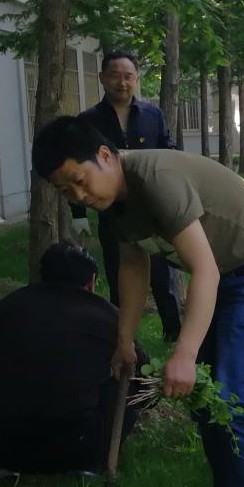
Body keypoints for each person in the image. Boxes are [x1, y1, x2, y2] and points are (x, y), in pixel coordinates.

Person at [34, 117, 244, 487]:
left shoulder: (155, 179)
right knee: (207, 400)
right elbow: (134, 268)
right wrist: (124, 340)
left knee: (234, 398)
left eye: (79, 181)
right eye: (66, 192)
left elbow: (205, 269)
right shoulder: (115, 202)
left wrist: (185, 353)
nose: (79, 196)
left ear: (104, 156)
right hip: (228, 273)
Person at [0, 242, 148, 474]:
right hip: (80, 447)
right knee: (125, 380)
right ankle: (92, 462)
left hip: (1, 443)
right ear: (92, 281)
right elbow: (144, 374)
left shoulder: (8, 307)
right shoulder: (108, 316)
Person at [71, 50, 183, 342]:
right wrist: (79, 214)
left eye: (128, 76)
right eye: (115, 75)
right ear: (102, 78)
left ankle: (173, 332)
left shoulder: (152, 115)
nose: (122, 82)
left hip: (152, 206)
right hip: (112, 211)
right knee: (119, 269)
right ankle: (123, 337)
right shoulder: (88, 121)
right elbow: (78, 169)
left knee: (162, 274)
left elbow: (168, 152)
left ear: (136, 79)